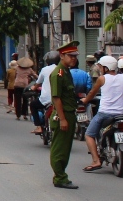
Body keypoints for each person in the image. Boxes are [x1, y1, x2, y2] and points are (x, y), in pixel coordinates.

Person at [80, 56, 123, 172]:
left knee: (89, 134)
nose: (99, 69)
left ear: (105, 67)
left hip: (105, 114)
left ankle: (96, 161)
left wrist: (85, 100)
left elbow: (92, 93)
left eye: (101, 67)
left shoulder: (102, 79)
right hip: (121, 114)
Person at [49, 41, 80, 189]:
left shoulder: (66, 71)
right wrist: (62, 119)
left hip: (70, 113)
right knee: (59, 149)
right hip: (63, 115)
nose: (74, 59)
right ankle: (60, 177)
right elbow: (56, 98)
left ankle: (61, 175)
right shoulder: (58, 74)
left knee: (66, 148)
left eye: (75, 56)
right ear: (62, 56)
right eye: (71, 56)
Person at [29, 51, 59, 134]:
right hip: (59, 98)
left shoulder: (45, 69)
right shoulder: (61, 69)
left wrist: (34, 88)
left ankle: (39, 126)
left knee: (33, 105)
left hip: (47, 99)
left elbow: (38, 82)